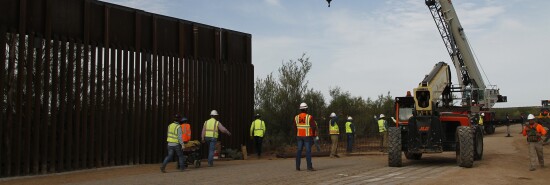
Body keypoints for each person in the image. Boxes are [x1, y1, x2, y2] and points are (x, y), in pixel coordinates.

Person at [294, 102, 317, 171]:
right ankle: (309, 167)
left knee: (299, 151)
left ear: (300, 109)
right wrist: (313, 135)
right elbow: (313, 127)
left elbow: (295, 127)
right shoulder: (309, 117)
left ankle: (297, 167)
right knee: (308, 151)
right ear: (306, 109)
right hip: (307, 136)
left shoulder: (296, 117)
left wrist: (296, 135)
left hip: (299, 136)